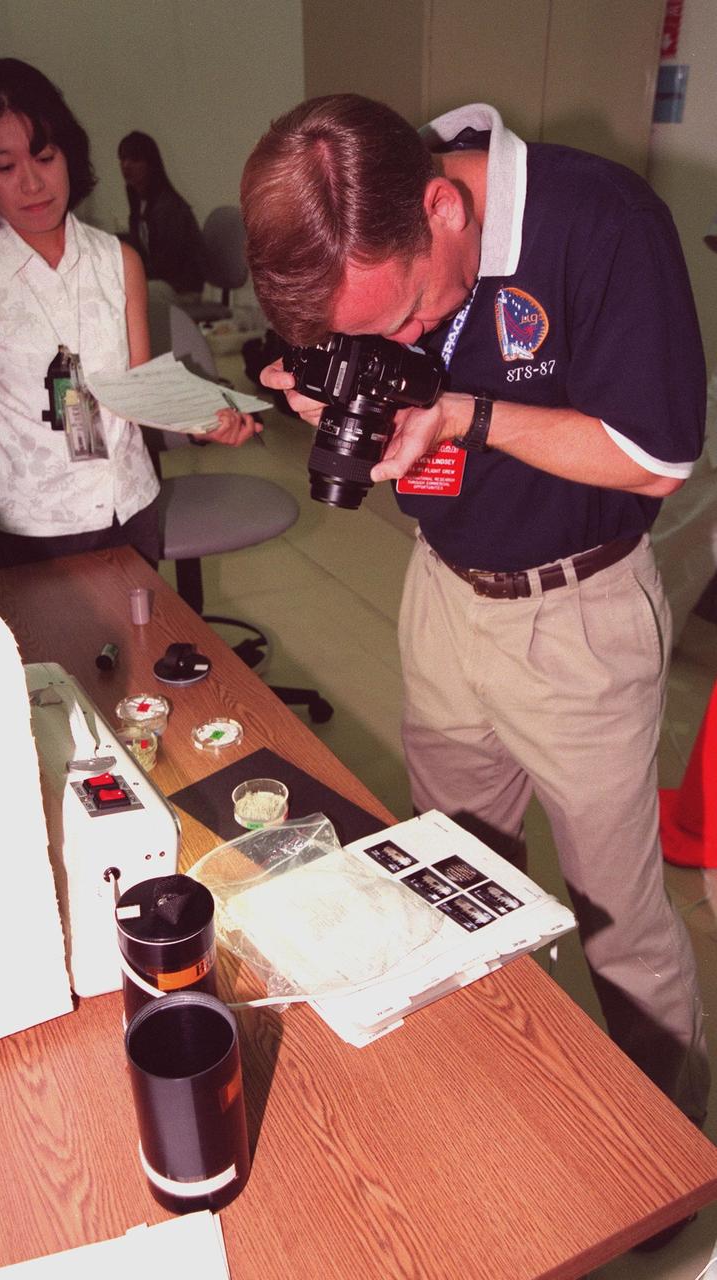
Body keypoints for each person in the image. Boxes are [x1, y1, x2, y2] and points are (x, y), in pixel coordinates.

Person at [242, 96, 710, 1138]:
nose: (407, 343)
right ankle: (502, 1119)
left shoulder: (602, 224)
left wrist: (466, 413)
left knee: (619, 927)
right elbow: (376, 351)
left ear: (442, 208)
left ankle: (670, 1159)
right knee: (452, 888)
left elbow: (655, 459)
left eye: (403, 314)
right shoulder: (362, 237)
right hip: (441, 597)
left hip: (576, 618)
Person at [0, 60, 254, 571]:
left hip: (131, 507)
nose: (32, 184)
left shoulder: (117, 261)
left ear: (69, 156)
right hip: (38, 527)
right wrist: (30, 436)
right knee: (54, 653)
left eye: (45, 157)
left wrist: (201, 423)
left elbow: (141, 390)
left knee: (143, 645)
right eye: (6, 167)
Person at [118, 130, 208, 302]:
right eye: (122, 159)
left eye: (134, 159)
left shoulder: (168, 207)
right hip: (160, 281)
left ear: (150, 164)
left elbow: (168, 264)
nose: (126, 165)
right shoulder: (137, 202)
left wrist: (132, 274)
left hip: (181, 287)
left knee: (127, 295)